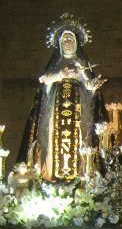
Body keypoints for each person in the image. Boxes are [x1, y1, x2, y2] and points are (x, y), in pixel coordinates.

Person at [18, 13, 107, 181]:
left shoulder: (82, 65)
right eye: (65, 40)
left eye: (71, 40)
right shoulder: (55, 65)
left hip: (78, 114)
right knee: (53, 142)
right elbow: (44, 81)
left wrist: (92, 86)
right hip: (55, 114)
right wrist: (60, 74)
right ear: (59, 44)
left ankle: (82, 176)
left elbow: (88, 85)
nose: (68, 43)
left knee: (79, 141)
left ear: (76, 44)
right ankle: (50, 174)